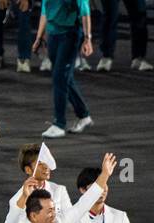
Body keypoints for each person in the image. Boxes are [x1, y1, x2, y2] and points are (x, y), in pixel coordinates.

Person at [31, 0, 94, 138]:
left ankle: (59, 124)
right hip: (53, 35)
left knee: (60, 77)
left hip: (70, 35)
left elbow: (85, 13)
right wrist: (39, 37)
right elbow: (44, 11)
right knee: (64, 78)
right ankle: (83, 115)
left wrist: (87, 39)